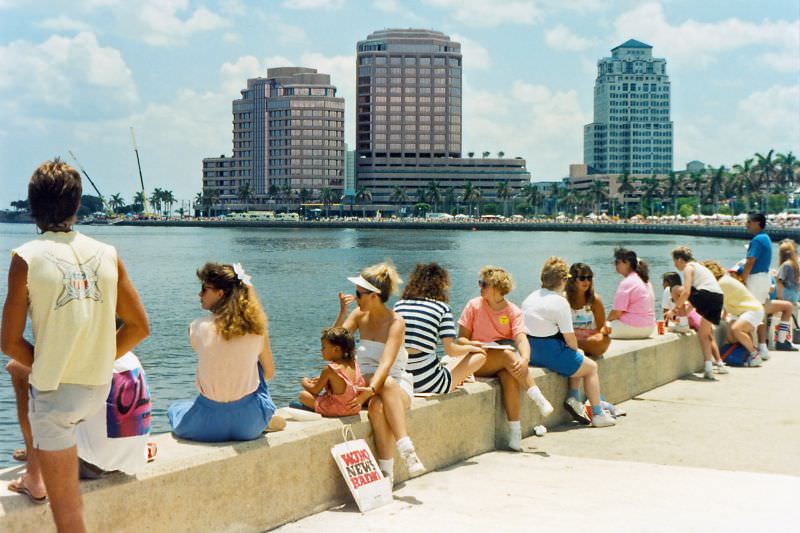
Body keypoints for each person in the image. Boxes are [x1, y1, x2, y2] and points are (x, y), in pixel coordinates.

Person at [1, 158, 149, 532]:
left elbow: (8, 342)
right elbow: (138, 326)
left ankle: (33, 481)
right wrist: (96, 359)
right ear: (77, 206)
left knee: (70, 520)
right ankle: (36, 479)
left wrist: (49, 363)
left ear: (33, 207)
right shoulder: (107, 254)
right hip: (96, 388)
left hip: (55, 398)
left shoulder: (26, 257)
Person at [168, 263, 285, 442]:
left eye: (204, 289)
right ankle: (264, 419)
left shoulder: (197, 327)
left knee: (175, 408)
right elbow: (269, 373)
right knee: (256, 365)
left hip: (206, 425)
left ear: (220, 293)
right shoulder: (257, 331)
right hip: (249, 424)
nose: (199, 294)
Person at [334, 263, 425, 480]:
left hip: (394, 383)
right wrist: (342, 312)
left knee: (378, 404)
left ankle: (389, 469)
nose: (356, 298)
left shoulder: (396, 322)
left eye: (359, 294)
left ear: (374, 296)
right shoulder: (358, 315)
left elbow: (386, 363)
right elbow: (334, 344)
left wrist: (370, 390)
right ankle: (404, 451)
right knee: (380, 394)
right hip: (365, 381)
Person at [458, 266, 554, 451]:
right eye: (480, 283)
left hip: (499, 361)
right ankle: (537, 397)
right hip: (476, 360)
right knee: (508, 354)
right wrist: (477, 345)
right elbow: (461, 339)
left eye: (484, 284)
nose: (480, 287)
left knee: (510, 376)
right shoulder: (474, 305)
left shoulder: (513, 312)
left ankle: (515, 434)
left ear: (496, 288)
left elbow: (521, 338)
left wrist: (525, 359)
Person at [522, 257, 615, 428]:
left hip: (530, 351)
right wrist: (577, 352)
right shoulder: (559, 302)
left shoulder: (530, 297)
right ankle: (597, 413)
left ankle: (575, 398)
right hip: (549, 351)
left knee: (576, 360)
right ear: (564, 280)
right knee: (590, 367)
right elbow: (570, 338)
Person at [393, 263, 487, 394]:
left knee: (449, 361)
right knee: (480, 356)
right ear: (441, 285)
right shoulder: (441, 308)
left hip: (400, 378)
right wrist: (472, 348)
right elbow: (451, 350)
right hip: (429, 383)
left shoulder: (399, 306)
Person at [75, 350, 153, 478]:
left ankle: (35, 473)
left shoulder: (83, 357)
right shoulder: (131, 358)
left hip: (91, 465)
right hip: (134, 459)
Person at [669, 247, 725, 379]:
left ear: (680, 259)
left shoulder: (689, 268)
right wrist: (686, 311)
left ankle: (683, 324)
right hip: (718, 298)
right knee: (703, 335)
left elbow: (686, 292)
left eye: (675, 261)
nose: (675, 265)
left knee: (675, 289)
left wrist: (674, 310)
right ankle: (709, 369)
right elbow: (695, 299)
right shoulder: (700, 268)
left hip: (707, 295)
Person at [702, 261, 763, 366]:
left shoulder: (721, 283)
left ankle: (755, 354)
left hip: (752, 309)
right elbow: (728, 299)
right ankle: (743, 354)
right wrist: (724, 315)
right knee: (731, 337)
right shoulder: (724, 281)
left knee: (736, 329)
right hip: (742, 311)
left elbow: (713, 302)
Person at [298, 327, 366, 417]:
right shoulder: (354, 364)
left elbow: (315, 390)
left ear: (336, 349)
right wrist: (321, 380)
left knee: (303, 395)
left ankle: (317, 409)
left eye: (323, 347)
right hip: (353, 408)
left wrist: (304, 382)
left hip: (337, 409)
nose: (321, 350)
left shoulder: (330, 369)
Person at [740, 213, 772, 359]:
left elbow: (750, 261)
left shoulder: (757, 240)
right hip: (764, 278)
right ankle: (763, 347)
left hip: (755, 279)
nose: (746, 225)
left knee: (749, 312)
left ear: (757, 223)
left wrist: (742, 279)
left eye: (749, 222)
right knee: (760, 313)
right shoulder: (766, 238)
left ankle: (751, 349)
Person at [607, 248, 656, 339]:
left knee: (598, 328)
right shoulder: (645, 281)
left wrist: (606, 321)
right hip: (649, 328)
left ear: (627, 263)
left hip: (632, 328)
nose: (615, 265)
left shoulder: (627, 282)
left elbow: (616, 313)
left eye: (617, 262)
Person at [564, 262, 610, 358]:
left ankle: (574, 347)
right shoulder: (563, 299)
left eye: (589, 278)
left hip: (589, 338)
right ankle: (576, 347)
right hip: (569, 337)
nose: (586, 282)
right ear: (572, 280)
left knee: (604, 341)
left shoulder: (595, 300)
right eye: (582, 278)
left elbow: (600, 327)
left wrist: (605, 330)